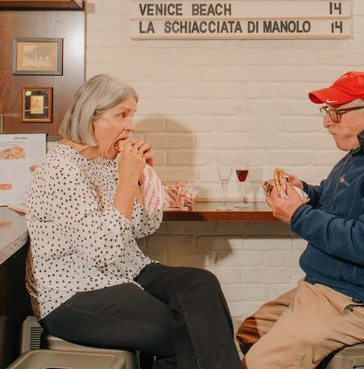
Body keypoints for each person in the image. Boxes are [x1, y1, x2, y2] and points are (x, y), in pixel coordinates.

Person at [26, 74, 242, 369]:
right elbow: (102, 250)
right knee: (188, 333)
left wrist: (141, 181)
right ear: (93, 118)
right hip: (75, 294)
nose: (131, 125)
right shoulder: (61, 170)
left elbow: (143, 227)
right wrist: (127, 180)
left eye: (132, 115)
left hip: (127, 270)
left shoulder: (103, 163)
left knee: (201, 284)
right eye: (122, 115)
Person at [237, 70, 364, 369]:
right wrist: (307, 192)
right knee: (247, 333)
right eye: (326, 111)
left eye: (337, 113)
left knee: (259, 364)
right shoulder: (362, 152)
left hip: (363, 303)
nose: (326, 122)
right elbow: (344, 201)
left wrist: (298, 214)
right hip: (324, 288)